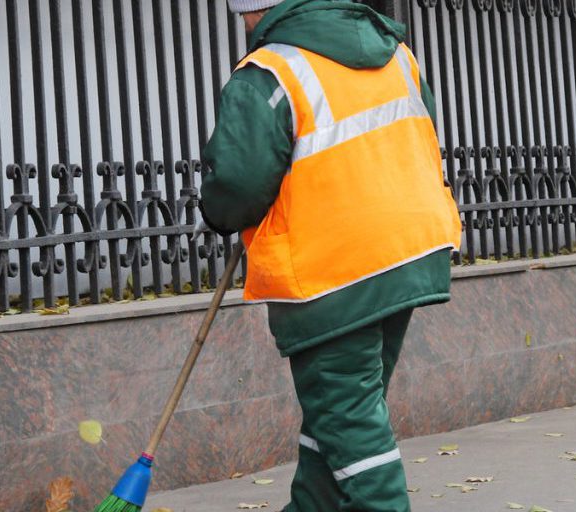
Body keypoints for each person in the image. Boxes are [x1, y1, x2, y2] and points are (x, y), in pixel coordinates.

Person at [197, 1, 461, 510]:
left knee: (349, 420)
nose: (245, 25)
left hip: (331, 271)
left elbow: (238, 182)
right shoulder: (394, 53)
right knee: (340, 412)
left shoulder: (269, 72)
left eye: (243, 14)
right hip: (409, 250)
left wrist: (218, 212)